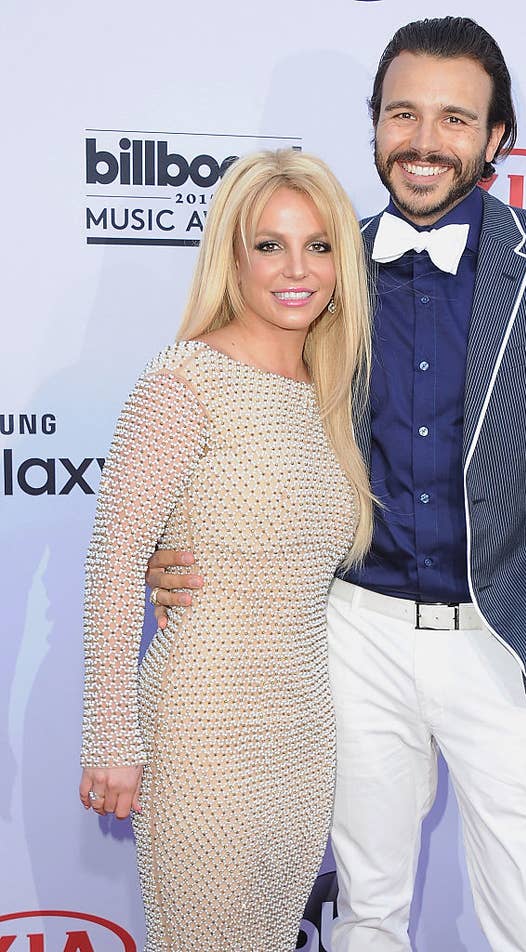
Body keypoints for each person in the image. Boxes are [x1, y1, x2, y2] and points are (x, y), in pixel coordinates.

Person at [145, 16, 526, 952]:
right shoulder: (319, 270)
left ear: (497, 137)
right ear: (374, 125)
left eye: (456, 119)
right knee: (368, 912)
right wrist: (170, 554)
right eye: (403, 114)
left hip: (509, 646)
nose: (425, 141)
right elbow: (241, 426)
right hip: (353, 640)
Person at [78, 148, 374, 952]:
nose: (296, 269)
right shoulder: (184, 382)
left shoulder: (329, 394)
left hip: (304, 732)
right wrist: (111, 740)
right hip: (203, 725)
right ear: (231, 255)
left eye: (317, 246)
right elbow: (113, 565)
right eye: (269, 244)